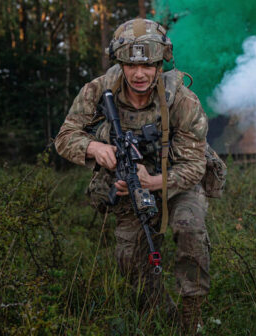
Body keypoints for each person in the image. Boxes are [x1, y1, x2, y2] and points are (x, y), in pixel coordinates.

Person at [55, 18, 218, 333]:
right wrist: (93, 148)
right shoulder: (99, 89)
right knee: (129, 257)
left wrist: (154, 182)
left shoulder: (182, 100)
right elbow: (65, 136)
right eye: (130, 65)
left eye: (149, 65)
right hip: (128, 184)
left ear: (161, 63)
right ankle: (162, 316)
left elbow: (195, 166)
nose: (139, 74)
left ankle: (191, 318)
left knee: (190, 231)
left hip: (177, 179)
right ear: (120, 62)